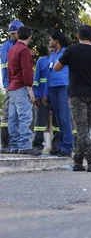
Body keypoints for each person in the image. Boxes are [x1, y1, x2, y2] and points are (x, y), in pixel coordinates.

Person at [54, 24, 91, 172]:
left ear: (77, 36)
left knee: (81, 128)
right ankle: (78, 161)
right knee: (84, 128)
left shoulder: (71, 50)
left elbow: (56, 68)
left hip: (76, 95)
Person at [7, 26, 40, 155]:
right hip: (21, 86)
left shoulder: (12, 50)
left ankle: (14, 145)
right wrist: (30, 88)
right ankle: (25, 145)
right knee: (25, 116)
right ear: (30, 36)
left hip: (12, 87)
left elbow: (9, 70)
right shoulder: (24, 50)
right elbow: (27, 70)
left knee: (13, 117)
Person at [43, 30, 73, 157]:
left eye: (51, 39)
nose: (49, 41)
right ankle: (60, 146)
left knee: (65, 118)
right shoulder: (53, 55)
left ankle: (67, 148)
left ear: (57, 41)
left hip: (63, 87)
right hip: (52, 88)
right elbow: (48, 74)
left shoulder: (67, 52)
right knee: (59, 120)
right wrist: (45, 92)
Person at [32, 44, 60, 154]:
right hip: (42, 96)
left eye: (54, 48)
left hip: (56, 95)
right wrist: (36, 95)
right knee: (39, 123)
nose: (52, 49)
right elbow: (36, 80)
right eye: (50, 47)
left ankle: (56, 147)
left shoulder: (61, 61)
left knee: (58, 123)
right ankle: (37, 146)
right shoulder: (41, 61)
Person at [0, 20, 24, 152]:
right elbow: (5, 67)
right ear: (13, 33)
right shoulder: (6, 47)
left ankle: (13, 144)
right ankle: (5, 145)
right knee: (8, 113)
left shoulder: (16, 45)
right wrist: (6, 85)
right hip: (10, 85)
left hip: (16, 85)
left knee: (16, 114)